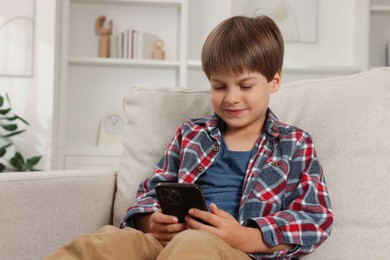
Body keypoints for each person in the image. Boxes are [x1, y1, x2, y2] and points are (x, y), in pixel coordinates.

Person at [46, 15, 333, 260]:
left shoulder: (293, 144)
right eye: (219, 86)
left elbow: (315, 219)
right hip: (169, 242)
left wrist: (245, 237)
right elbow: (151, 191)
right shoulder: (192, 134)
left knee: (194, 244)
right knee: (103, 243)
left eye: (245, 85)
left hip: (239, 252)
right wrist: (151, 222)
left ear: (274, 81)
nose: (232, 98)